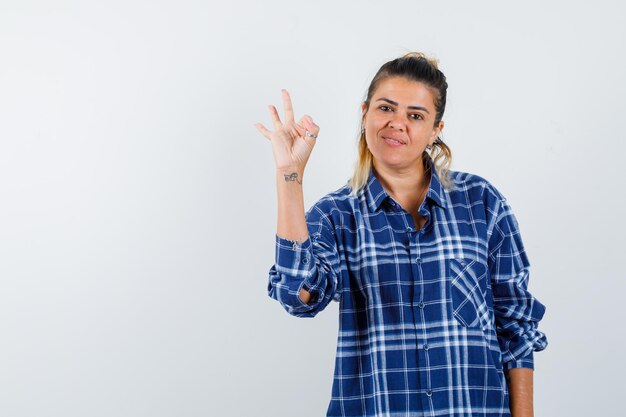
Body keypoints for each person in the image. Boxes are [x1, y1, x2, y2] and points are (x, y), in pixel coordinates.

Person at [255, 52, 548, 417]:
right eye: (385, 108)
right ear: (364, 114)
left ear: (435, 130)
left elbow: (515, 324)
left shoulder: (481, 203)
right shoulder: (335, 216)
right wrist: (290, 176)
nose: (397, 124)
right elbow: (297, 297)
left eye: (415, 115)